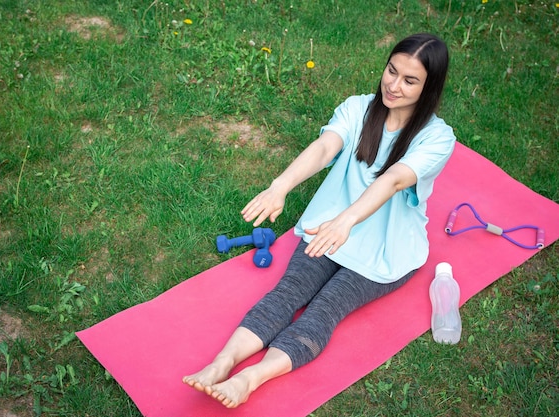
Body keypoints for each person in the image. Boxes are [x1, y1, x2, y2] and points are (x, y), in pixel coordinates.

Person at [183, 33, 456, 408]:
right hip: (325, 230)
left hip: (384, 249)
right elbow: (326, 146)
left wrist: (345, 223)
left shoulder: (437, 138)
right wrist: (280, 186)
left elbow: (393, 180)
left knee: (325, 309)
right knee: (287, 293)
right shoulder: (358, 108)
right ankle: (221, 364)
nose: (393, 85)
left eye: (409, 81)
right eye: (391, 71)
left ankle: (250, 378)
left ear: (429, 88)